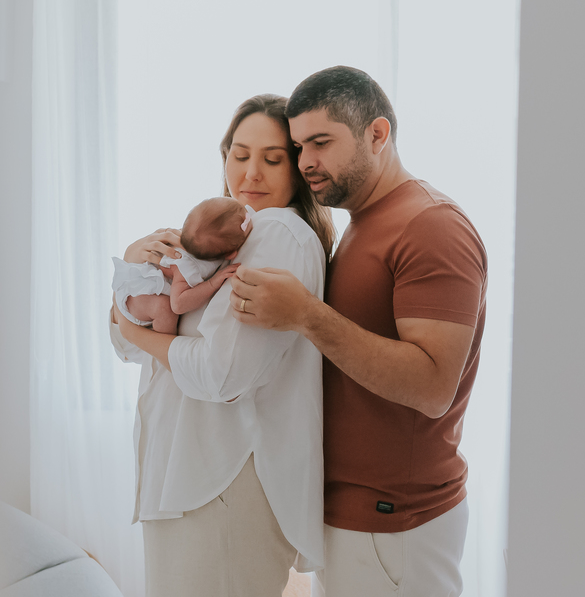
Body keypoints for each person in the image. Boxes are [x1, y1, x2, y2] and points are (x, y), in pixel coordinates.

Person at [229, 67, 487, 597]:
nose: (306, 163)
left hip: (395, 521)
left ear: (378, 134)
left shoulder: (431, 226)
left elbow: (433, 386)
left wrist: (306, 314)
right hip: (359, 518)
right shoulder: (364, 220)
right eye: (299, 146)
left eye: (321, 143)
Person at [109, 94, 336, 597]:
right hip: (186, 478)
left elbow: (218, 374)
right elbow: (127, 348)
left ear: (297, 170)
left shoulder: (279, 232)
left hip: (221, 482)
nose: (251, 173)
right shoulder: (218, 238)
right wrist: (132, 269)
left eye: (272, 159)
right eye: (239, 154)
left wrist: (138, 331)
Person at [111, 197, 252, 335]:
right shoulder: (186, 266)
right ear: (231, 255)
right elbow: (178, 304)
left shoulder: (197, 239)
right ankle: (163, 346)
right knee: (164, 309)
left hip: (133, 285)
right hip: (136, 295)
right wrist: (212, 283)